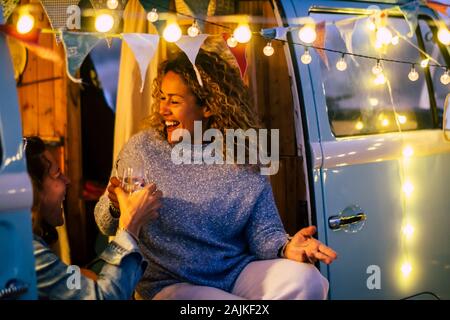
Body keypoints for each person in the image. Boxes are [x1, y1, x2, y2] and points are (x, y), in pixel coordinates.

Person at [94, 49, 337, 300]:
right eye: (162, 97)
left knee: (309, 280)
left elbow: (264, 233)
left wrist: (286, 247)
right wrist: (115, 205)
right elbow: (104, 223)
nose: (162, 109)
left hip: (234, 272)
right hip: (170, 284)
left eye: (174, 101)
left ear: (208, 106)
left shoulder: (243, 153)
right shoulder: (142, 148)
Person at [25, 136, 162, 299]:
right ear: (30, 191)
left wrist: (76, 275)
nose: (67, 180)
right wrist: (130, 225)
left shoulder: (25, 240)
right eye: (57, 174)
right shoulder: (28, 253)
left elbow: (54, 279)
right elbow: (107, 297)